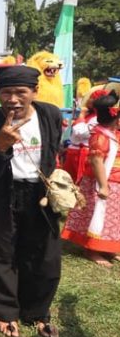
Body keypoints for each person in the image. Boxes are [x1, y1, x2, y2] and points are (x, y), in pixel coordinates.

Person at [0, 66, 63, 337]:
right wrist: (0, 146)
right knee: (2, 252)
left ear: (34, 92)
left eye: (20, 92)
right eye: (6, 92)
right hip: (3, 193)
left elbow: (52, 150)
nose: (12, 99)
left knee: (44, 254)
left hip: (40, 193)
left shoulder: (50, 114)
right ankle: (6, 311)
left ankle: (37, 311)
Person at [62, 91, 120, 266]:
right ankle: (92, 249)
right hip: (101, 182)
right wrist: (103, 186)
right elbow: (96, 161)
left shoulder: (111, 133)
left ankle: (109, 247)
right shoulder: (100, 136)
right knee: (97, 215)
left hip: (115, 182)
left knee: (113, 217)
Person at [64, 88, 106, 184]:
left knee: (79, 184)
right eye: (90, 97)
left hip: (82, 155)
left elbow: (81, 132)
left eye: (93, 98)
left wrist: (81, 116)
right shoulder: (89, 115)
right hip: (73, 152)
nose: (89, 100)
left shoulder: (98, 119)